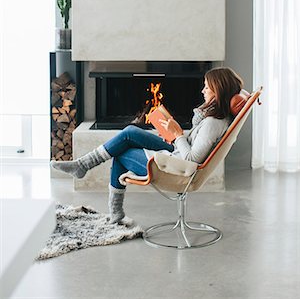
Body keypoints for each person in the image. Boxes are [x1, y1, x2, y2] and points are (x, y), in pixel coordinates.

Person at [51, 67, 243, 224]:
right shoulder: (215, 117)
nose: (202, 91)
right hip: (177, 154)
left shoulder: (212, 123)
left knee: (121, 153)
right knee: (130, 132)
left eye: (207, 88)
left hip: (179, 169)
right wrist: (173, 135)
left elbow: (191, 160)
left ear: (218, 92)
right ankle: (83, 165)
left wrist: (177, 135)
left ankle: (108, 201)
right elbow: (192, 148)